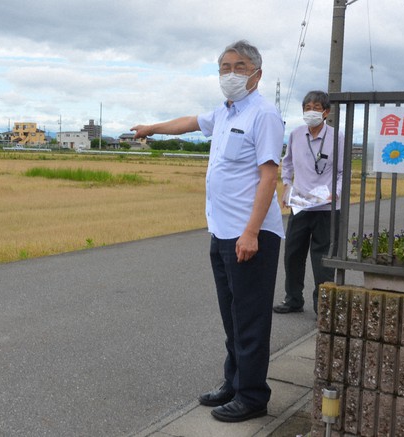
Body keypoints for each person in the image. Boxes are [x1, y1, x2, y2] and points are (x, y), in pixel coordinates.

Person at [131, 40, 284, 423]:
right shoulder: (225, 112)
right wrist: (152, 128)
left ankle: (252, 395)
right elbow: (188, 122)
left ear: (257, 74)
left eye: (240, 66)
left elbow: (269, 176)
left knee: (250, 317)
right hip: (222, 231)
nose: (231, 73)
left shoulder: (263, 114)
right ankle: (234, 382)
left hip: (251, 235)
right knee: (231, 316)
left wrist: (251, 233)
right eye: (224, 67)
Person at [273, 91, 344, 315]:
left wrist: (336, 193)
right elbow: (288, 163)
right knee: (293, 254)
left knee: (322, 259)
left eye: (315, 107)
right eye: (307, 107)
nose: (310, 111)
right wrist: (286, 185)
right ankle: (293, 299)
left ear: (326, 112)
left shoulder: (337, 137)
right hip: (301, 204)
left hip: (326, 207)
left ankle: (322, 306)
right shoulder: (295, 134)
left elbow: (343, 172)